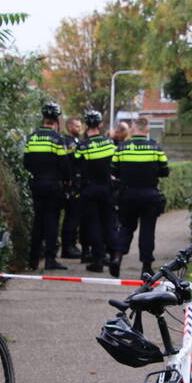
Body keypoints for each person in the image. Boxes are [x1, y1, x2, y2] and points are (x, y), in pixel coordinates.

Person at [109, 116, 169, 278]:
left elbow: (113, 171)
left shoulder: (121, 148)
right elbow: (165, 171)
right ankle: (146, 267)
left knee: (126, 227)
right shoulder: (155, 148)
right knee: (147, 230)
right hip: (149, 194)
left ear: (133, 129)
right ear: (148, 129)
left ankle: (117, 257)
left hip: (127, 195)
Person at [22, 101, 70, 271]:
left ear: (43, 118)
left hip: (36, 184)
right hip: (53, 186)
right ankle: (50, 259)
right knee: (51, 223)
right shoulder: (57, 139)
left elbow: (26, 163)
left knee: (38, 222)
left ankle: (33, 260)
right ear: (56, 120)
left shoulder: (32, 137)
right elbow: (64, 165)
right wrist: (66, 180)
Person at [75, 110, 118, 273]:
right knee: (109, 224)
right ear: (100, 125)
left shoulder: (83, 146)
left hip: (90, 190)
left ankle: (98, 260)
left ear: (86, 125)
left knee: (93, 225)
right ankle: (115, 257)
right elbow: (115, 165)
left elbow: (76, 166)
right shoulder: (109, 143)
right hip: (107, 189)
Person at [60, 117, 83, 259]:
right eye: (76, 126)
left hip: (77, 184)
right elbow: (67, 164)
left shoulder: (76, 141)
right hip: (71, 185)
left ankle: (72, 245)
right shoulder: (67, 142)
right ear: (69, 127)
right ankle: (67, 247)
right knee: (71, 218)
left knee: (75, 218)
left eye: (80, 126)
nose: (79, 128)